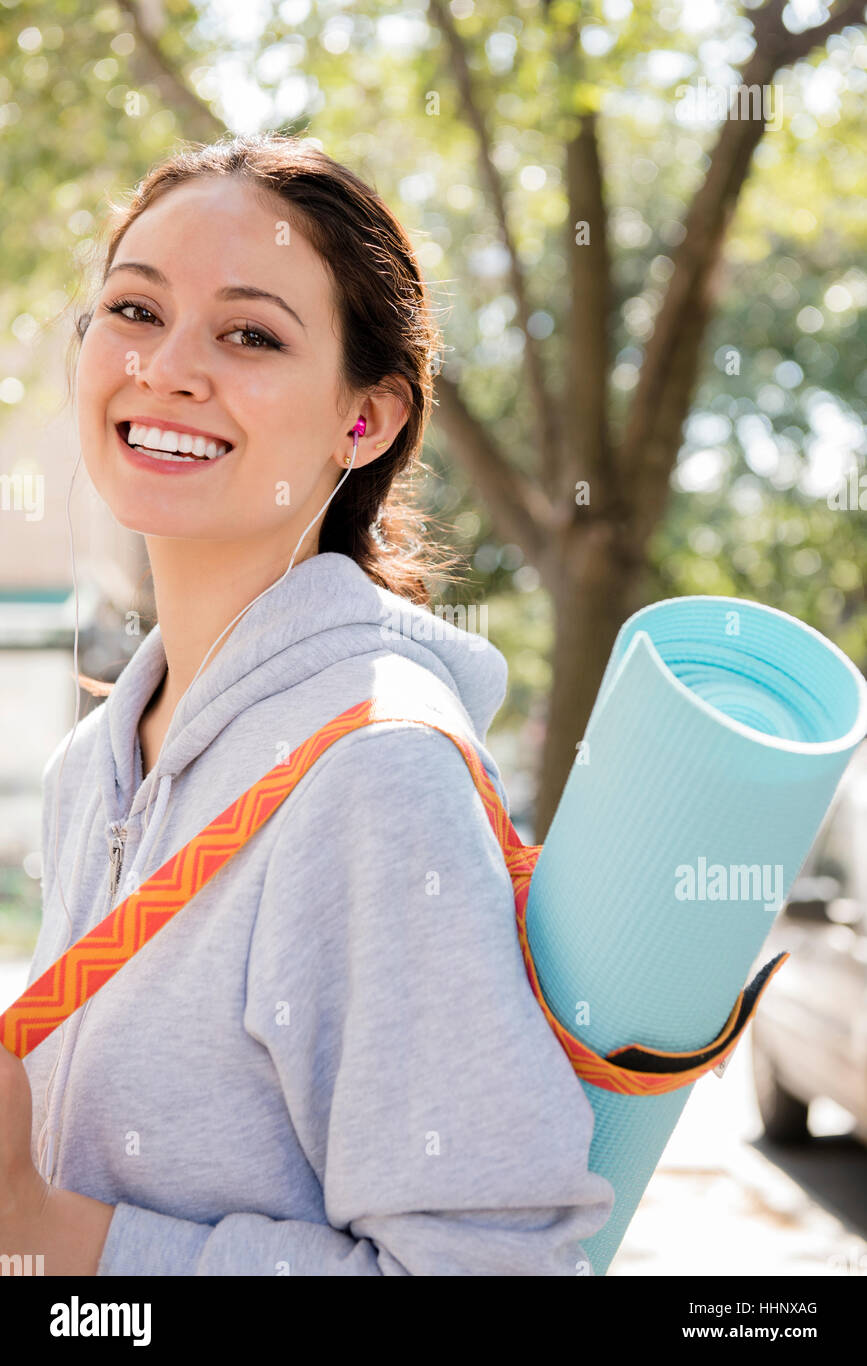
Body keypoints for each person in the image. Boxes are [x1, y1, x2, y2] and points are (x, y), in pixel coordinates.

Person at [10, 132, 614, 1275]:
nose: (167, 366)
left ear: (366, 420)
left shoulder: (378, 770)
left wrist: (58, 1238)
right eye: (134, 310)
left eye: (250, 333)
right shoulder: (96, 765)